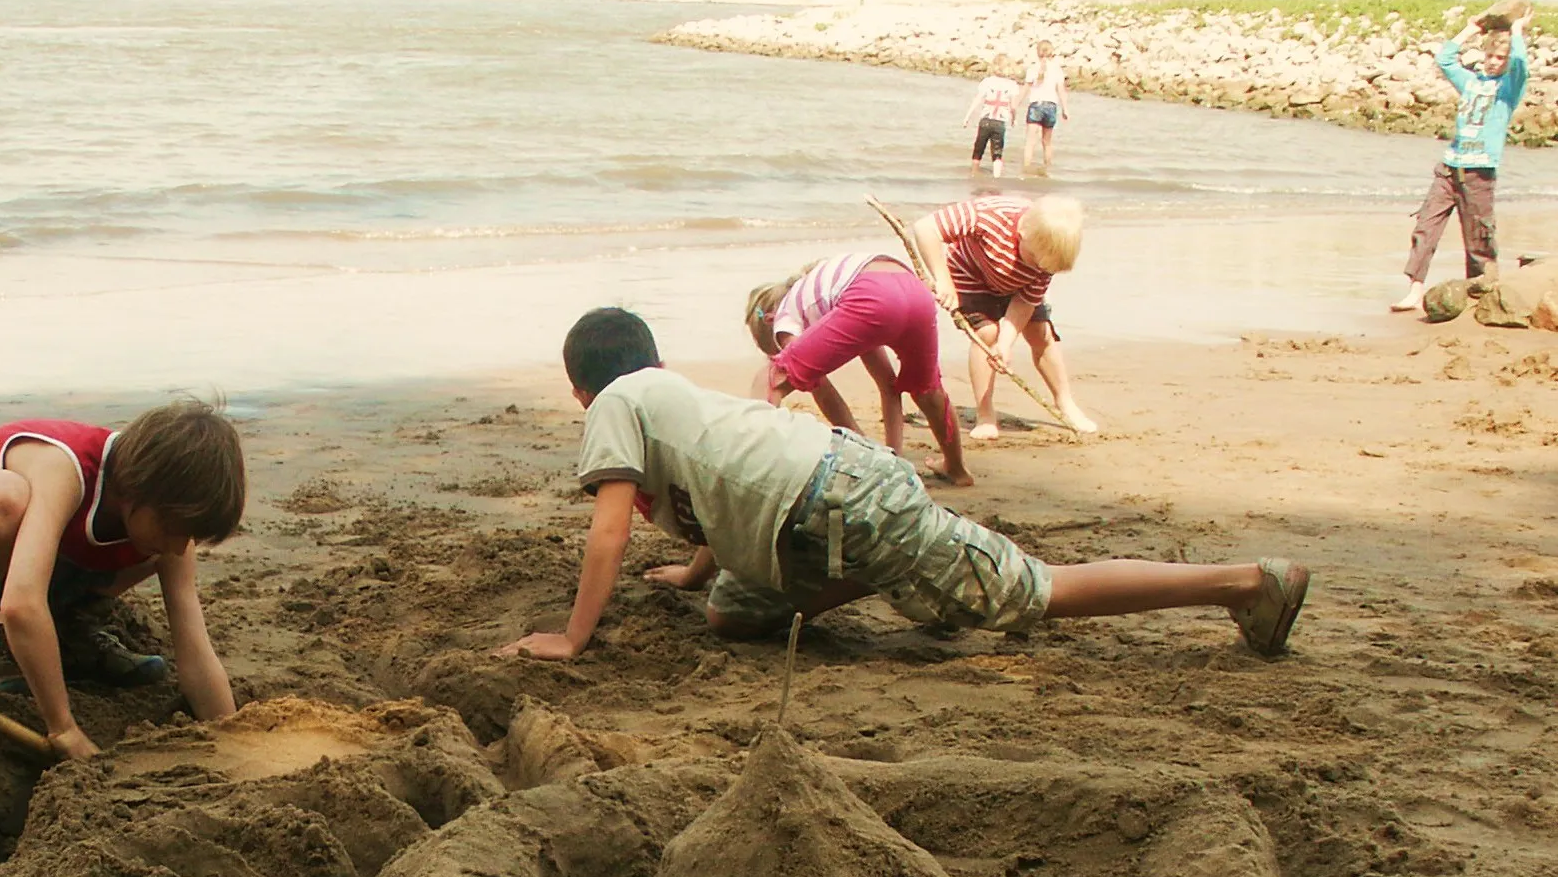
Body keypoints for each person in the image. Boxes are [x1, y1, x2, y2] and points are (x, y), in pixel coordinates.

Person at [496, 308, 1306, 658]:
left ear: (580, 393)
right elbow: (717, 492)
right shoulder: (669, 393)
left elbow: (607, 529)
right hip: (822, 500)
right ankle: (877, 573)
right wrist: (691, 566)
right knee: (729, 614)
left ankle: (1244, 583)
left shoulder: (612, 404)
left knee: (1033, 591)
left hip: (841, 500)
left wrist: (573, 637)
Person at [0, 401, 245, 759]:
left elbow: (194, 648)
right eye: (173, 529)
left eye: (191, 536)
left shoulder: (163, 520)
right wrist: (63, 727)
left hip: (29, 562)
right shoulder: (64, 469)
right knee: (3, 500)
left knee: (157, 551)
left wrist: (234, 738)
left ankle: (71, 630)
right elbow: (20, 605)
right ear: (138, 489)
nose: (180, 545)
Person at [743, 251, 973, 485]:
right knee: (928, 391)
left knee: (770, 377)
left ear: (769, 319)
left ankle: (754, 467)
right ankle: (956, 469)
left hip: (869, 293)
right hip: (914, 291)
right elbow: (889, 386)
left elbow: (825, 395)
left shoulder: (785, 317)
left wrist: (864, 449)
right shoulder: (831, 297)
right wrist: (892, 458)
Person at [912, 192, 1098, 437]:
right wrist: (943, 280)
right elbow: (926, 228)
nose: (1038, 269)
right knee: (987, 334)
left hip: (1017, 287)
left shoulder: (1046, 255)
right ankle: (985, 414)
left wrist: (1006, 344)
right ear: (1023, 233)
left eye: (1045, 268)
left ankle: (1065, 402)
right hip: (970, 275)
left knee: (1040, 333)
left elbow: (1024, 303)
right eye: (1034, 261)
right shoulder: (990, 215)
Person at [1393, 6, 1535, 313]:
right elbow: (1445, 59)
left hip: (1479, 173)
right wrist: (1471, 28)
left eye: (1501, 59)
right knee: (1425, 227)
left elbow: (1522, 64)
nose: (1494, 63)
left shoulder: (1508, 89)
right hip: (1449, 168)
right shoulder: (1471, 82)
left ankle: (1481, 293)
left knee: (1479, 240)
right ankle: (1415, 290)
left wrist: (1517, 31)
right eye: (1490, 57)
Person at [964, 60, 1022, 177]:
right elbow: (1013, 107)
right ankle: (996, 177)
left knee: (978, 149)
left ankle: (973, 174)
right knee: (997, 152)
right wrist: (1013, 119)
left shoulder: (987, 82)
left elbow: (977, 100)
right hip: (999, 122)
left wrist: (967, 117)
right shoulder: (1012, 85)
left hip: (985, 121)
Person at [1022, 40, 1069, 174]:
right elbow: (1061, 90)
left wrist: (1015, 103)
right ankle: (1047, 169)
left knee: (1030, 142)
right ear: (1051, 52)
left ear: (1037, 53)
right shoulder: (1057, 70)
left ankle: (1026, 169)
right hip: (1051, 106)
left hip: (1036, 105)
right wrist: (1065, 109)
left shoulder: (1033, 68)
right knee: (1047, 142)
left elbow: (1026, 88)